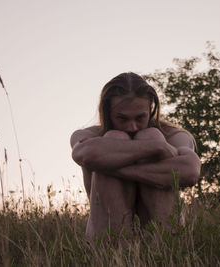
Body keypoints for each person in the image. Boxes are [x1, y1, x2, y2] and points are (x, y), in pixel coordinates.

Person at [70, 72, 201, 240]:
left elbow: (190, 171)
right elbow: (86, 154)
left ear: (150, 110)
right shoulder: (90, 135)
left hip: (164, 235)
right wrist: (156, 148)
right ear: (107, 113)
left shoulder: (172, 135)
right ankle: (117, 251)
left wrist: (109, 166)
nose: (132, 126)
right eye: (122, 118)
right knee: (114, 139)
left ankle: (164, 249)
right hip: (107, 236)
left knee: (151, 135)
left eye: (140, 117)